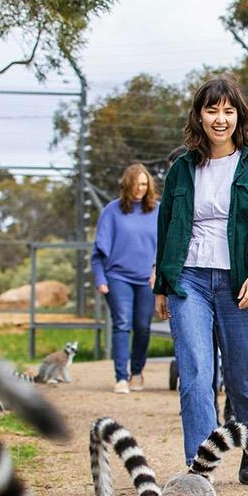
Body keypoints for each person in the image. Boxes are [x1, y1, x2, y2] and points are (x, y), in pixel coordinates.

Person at [154, 75, 248, 470]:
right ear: (200, 116)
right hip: (188, 279)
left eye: (228, 110)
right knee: (195, 373)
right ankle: (200, 467)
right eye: (212, 110)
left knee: (242, 377)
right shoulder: (182, 169)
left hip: (238, 279)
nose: (220, 119)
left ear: (239, 116)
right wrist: (162, 286)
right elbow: (166, 226)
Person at [92, 162, 159, 394]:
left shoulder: (157, 210)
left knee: (142, 326)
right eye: (136, 184)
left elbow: (166, 247)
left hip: (147, 279)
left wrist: (157, 271)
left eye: (144, 184)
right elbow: (98, 251)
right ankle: (121, 376)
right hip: (117, 276)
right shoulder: (112, 211)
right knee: (121, 323)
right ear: (126, 185)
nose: (140, 188)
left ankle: (137, 371)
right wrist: (100, 278)